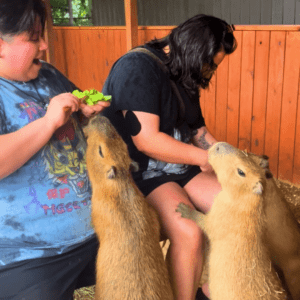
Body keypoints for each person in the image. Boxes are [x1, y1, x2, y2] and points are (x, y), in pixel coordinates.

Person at [101, 14, 237, 300]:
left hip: (178, 164)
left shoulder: (184, 73)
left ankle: (211, 290)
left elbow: (198, 131)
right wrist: (203, 158)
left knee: (239, 205)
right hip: (140, 170)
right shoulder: (137, 68)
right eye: (210, 63)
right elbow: (147, 141)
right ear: (192, 52)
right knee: (189, 231)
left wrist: (229, 159)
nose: (211, 72)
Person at [0, 0, 110, 299]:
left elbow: (73, 109)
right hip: (30, 254)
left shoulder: (47, 74)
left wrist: (85, 111)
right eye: (34, 38)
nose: (45, 46)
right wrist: (47, 122)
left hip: (95, 228)